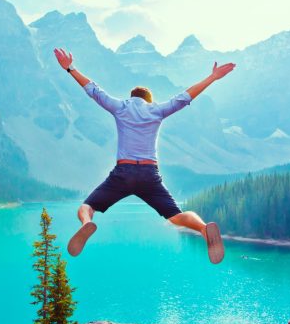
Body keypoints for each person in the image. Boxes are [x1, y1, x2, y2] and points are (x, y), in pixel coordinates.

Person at [54, 47, 236, 264]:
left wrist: (70, 68)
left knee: (86, 207)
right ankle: (204, 228)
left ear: (131, 97)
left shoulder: (120, 107)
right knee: (176, 216)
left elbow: (93, 90)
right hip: (149, 174)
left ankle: (86, 224)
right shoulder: (156, 110)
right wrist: (213, 77)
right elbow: (186, 96)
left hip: (123, 172)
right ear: (149, 100)